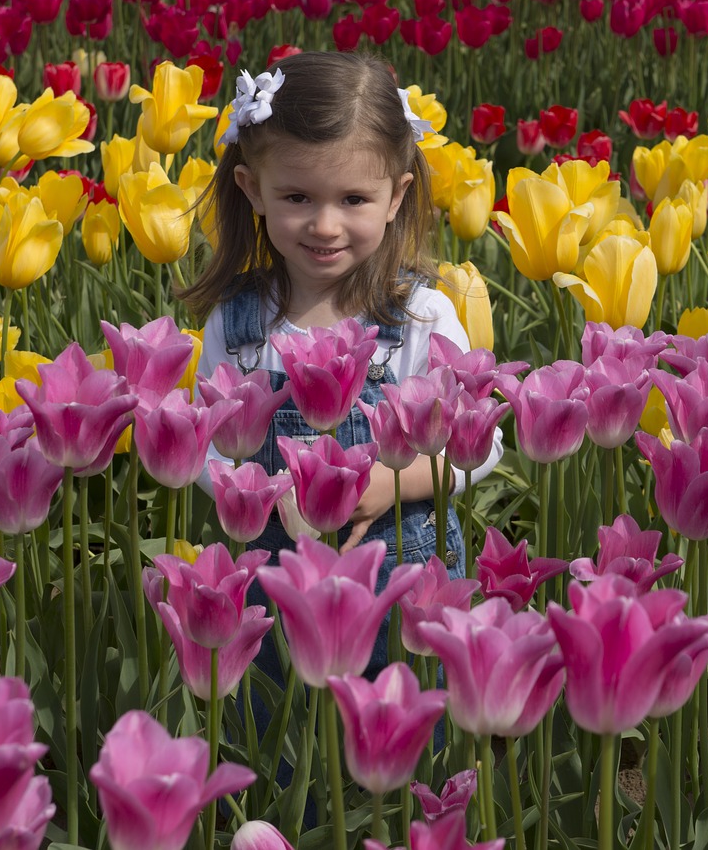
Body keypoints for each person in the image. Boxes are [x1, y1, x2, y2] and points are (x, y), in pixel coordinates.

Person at [184, 50, 502, 693]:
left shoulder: (420, 318)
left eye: (354, 198)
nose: (325, 225)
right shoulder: (237, 327)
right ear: (252, 191)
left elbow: (482, 445)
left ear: (396, 196)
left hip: (401, 574)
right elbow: (205, 450)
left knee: (405, 734)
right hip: (275, 576)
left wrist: (392, 482)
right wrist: (264, 494)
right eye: (297, 196)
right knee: (279, 731)